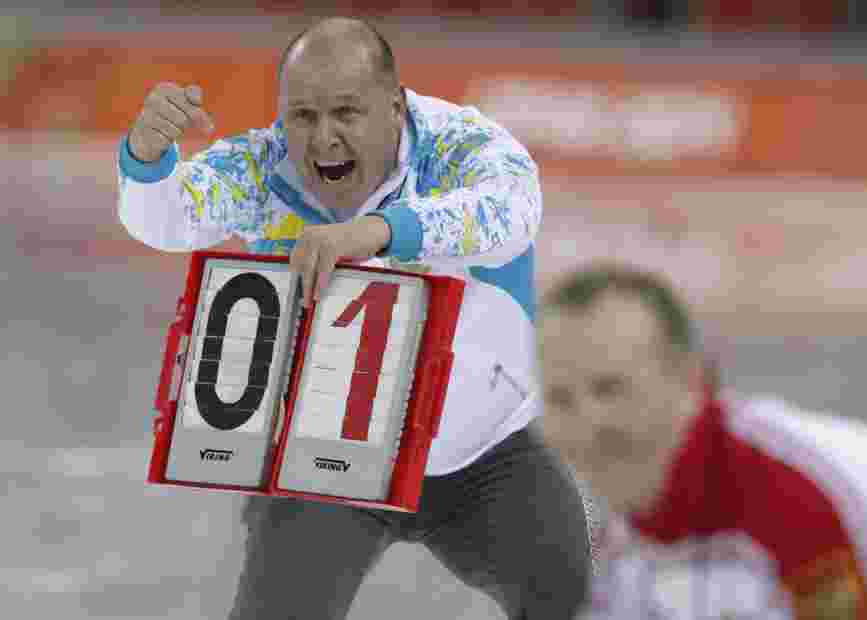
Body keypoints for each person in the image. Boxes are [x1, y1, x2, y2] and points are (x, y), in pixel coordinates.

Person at [117, 17, 596, 620]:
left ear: (395, 107)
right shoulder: (264, 166)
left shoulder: (462, 145)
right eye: (303, 117)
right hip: (322, 461)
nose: (323, 140)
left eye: (347, 113)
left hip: (488, 454)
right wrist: (145, 158)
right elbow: (164, 221)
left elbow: (512, 212)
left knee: (579, 604)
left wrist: (377, 233)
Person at [535, 263, 867, 619]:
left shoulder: (787, 489)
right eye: (560, 399)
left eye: (611, 389)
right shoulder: (606, 526)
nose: (589, 424)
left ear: (691, 380)